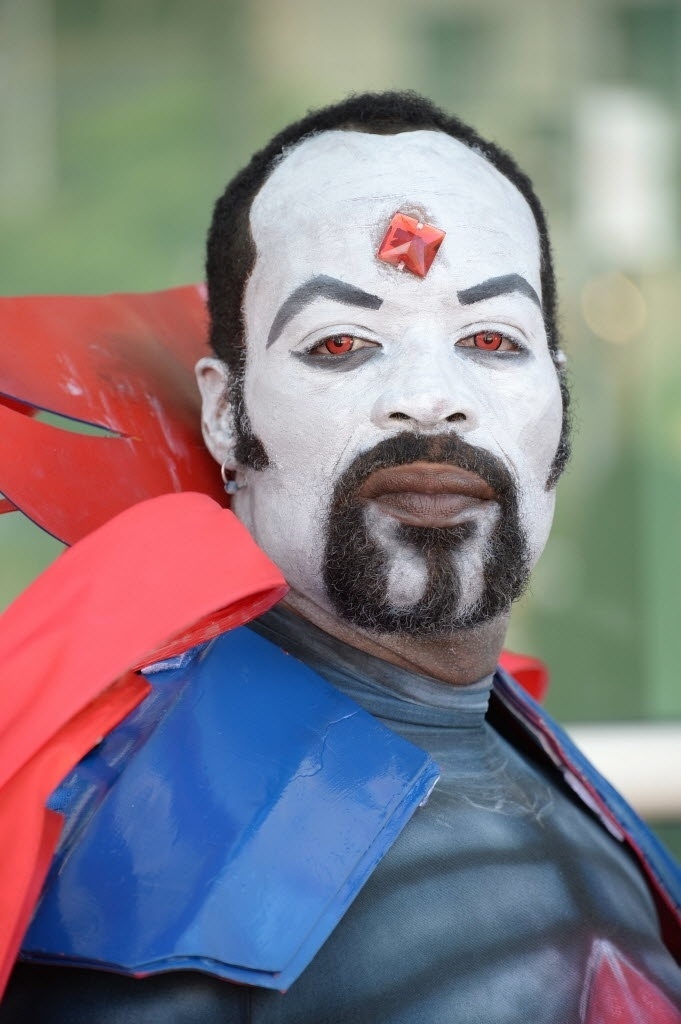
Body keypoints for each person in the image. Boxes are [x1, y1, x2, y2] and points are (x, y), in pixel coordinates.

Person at [1, 91, 680, 1023]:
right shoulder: (163, 849)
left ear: (557, 402)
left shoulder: (521, 745)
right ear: (226, 413)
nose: (429, 400)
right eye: (342, 343)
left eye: (490, 340)